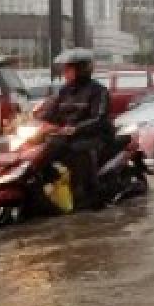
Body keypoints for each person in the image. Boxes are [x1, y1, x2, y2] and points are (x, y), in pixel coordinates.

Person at [36, 49, 113, 209]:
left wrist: (75, 129)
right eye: (64, 69)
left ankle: (92, 196)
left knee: (78, 150)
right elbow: (51, 111)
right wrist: (34, 120)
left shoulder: (98, 90)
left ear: (81, 69)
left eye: (68, 69)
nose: (65, 72)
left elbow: (99, 118)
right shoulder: (64, 90)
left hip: (94, 136)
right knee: (41, 149)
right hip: (68, 135)